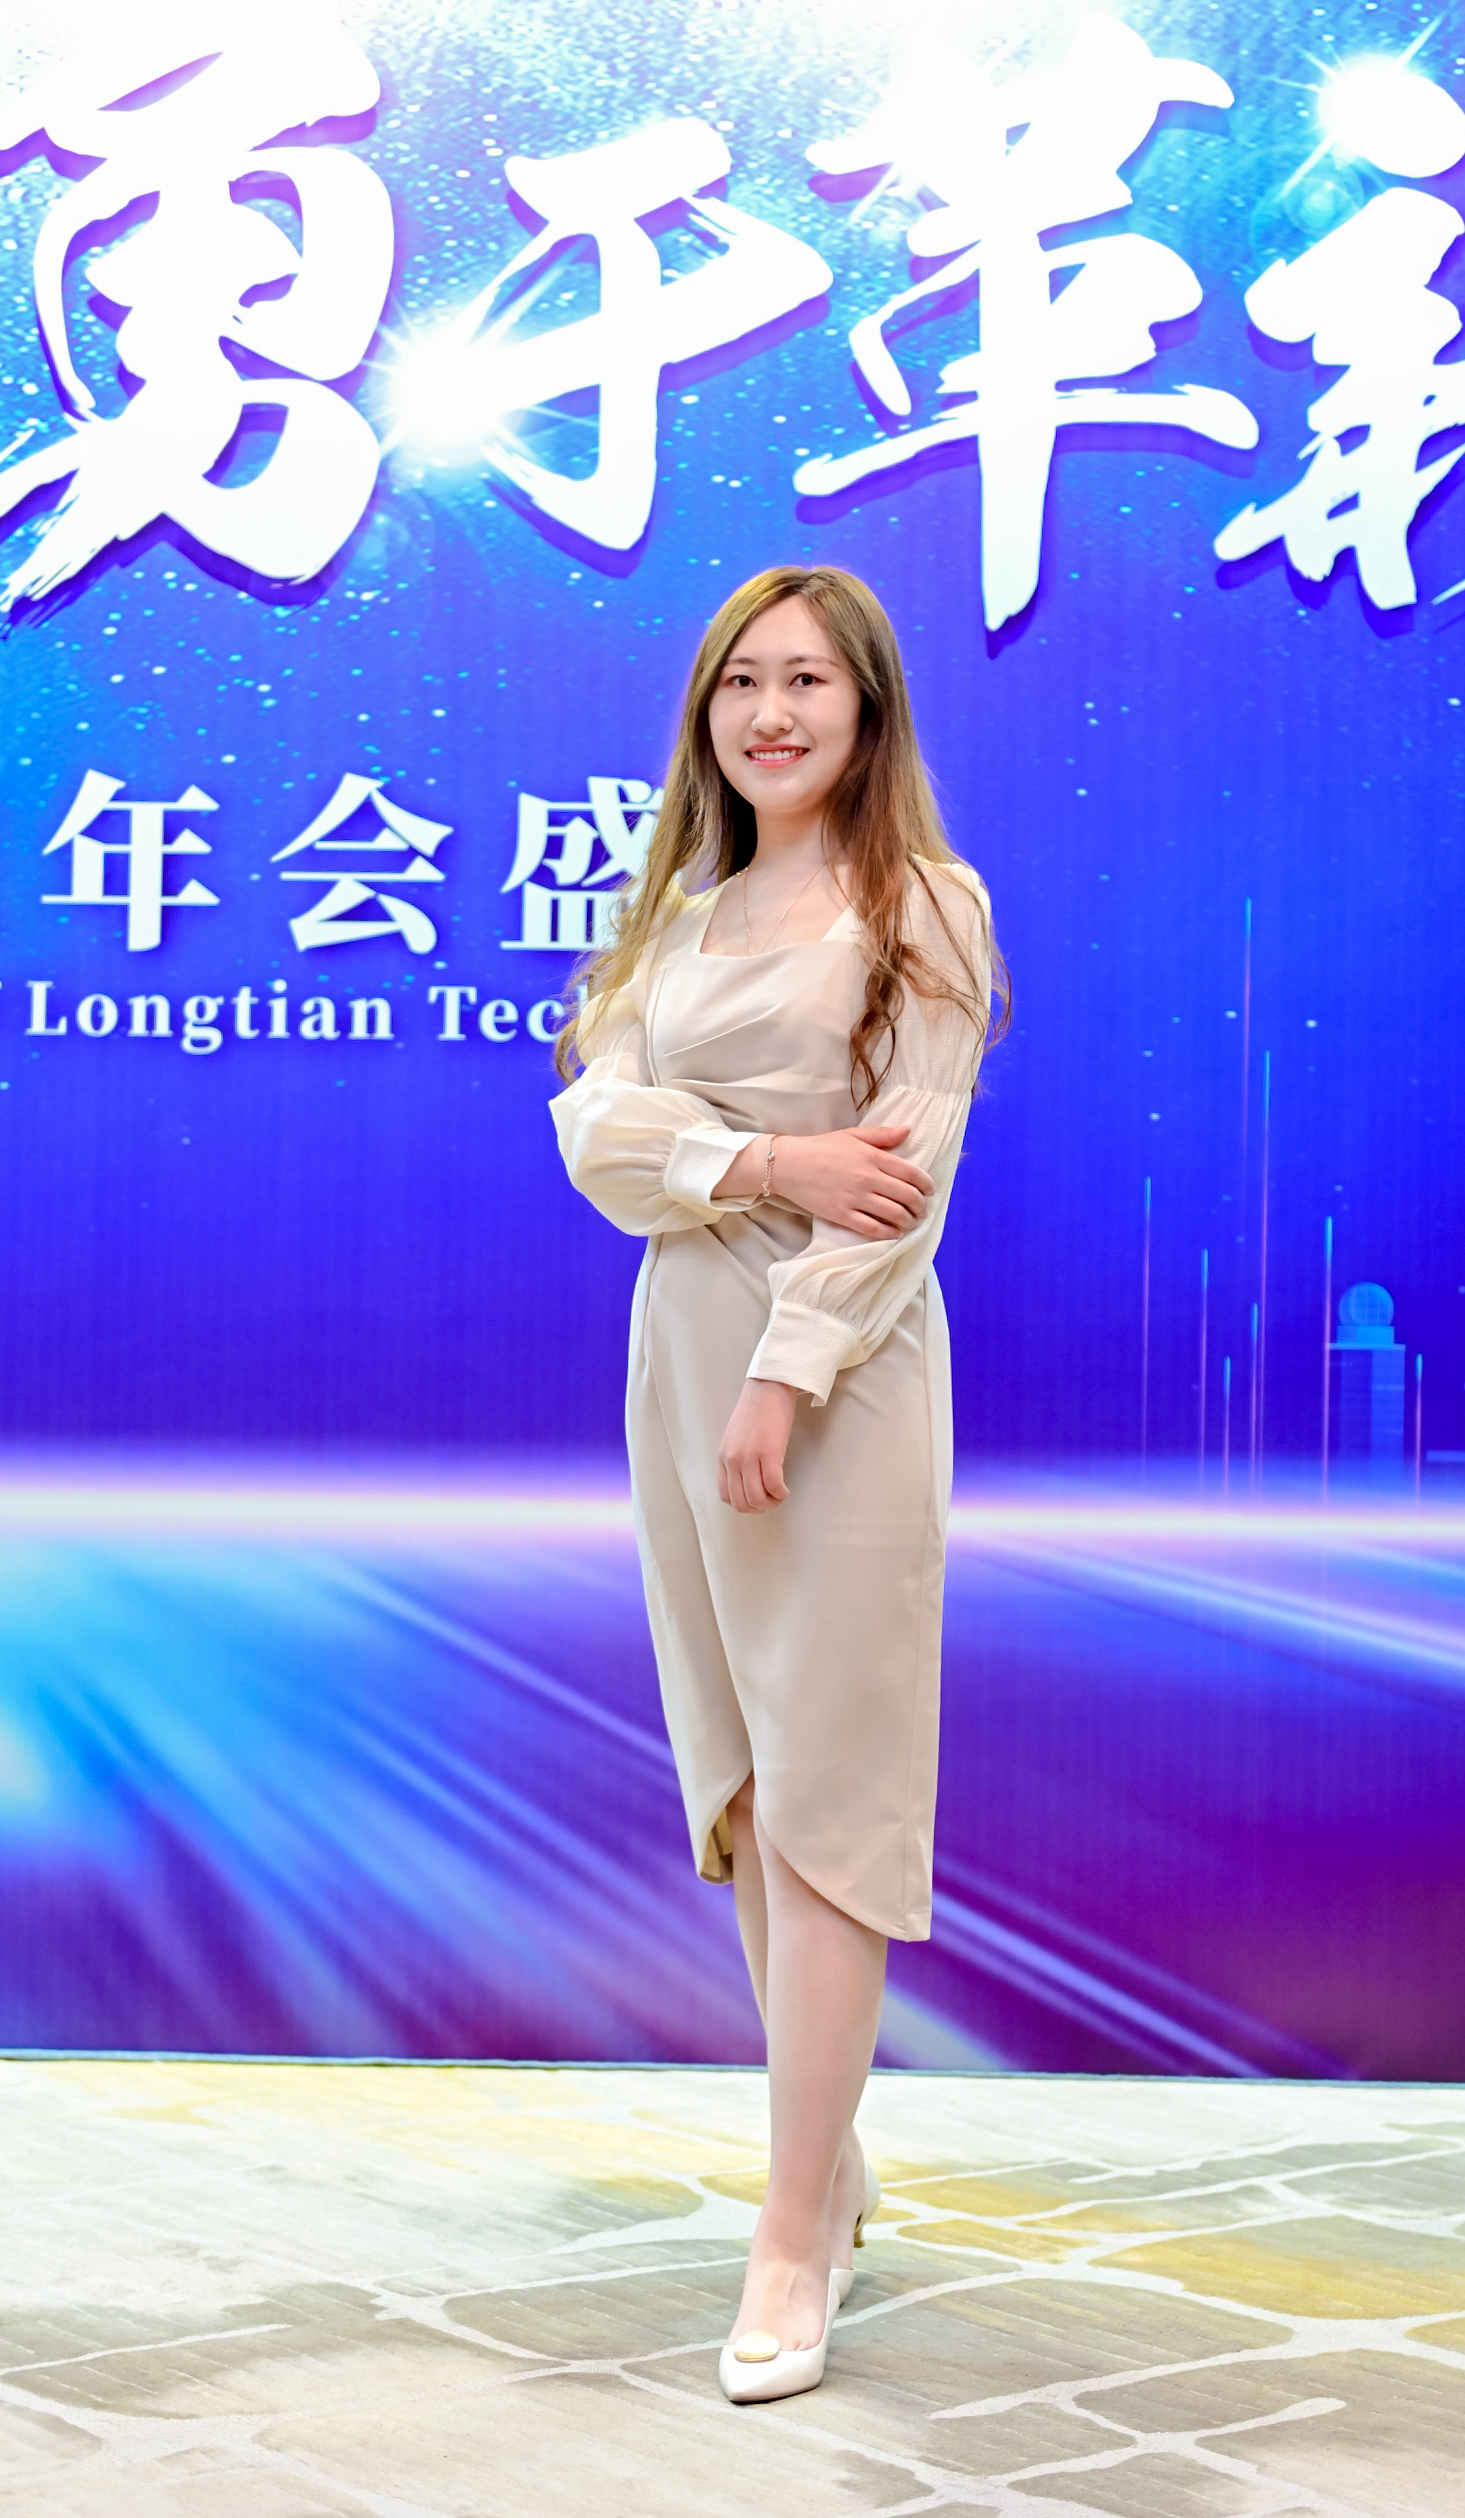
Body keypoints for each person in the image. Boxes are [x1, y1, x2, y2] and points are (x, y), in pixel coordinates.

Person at [551, 563, 1004, 2403]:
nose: (773, 713)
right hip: (674, 1357)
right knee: (742, 1784)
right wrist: (767, 1157)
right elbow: (597, 1136)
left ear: (867, 706)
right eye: (742, 682)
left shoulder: (927, 908)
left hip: (836, 1378)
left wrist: (787, 1371)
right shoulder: (675, 920)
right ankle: (834, 2157)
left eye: (809, 679)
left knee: (831, 1793)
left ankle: (793, 2225)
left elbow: (903, 1180)